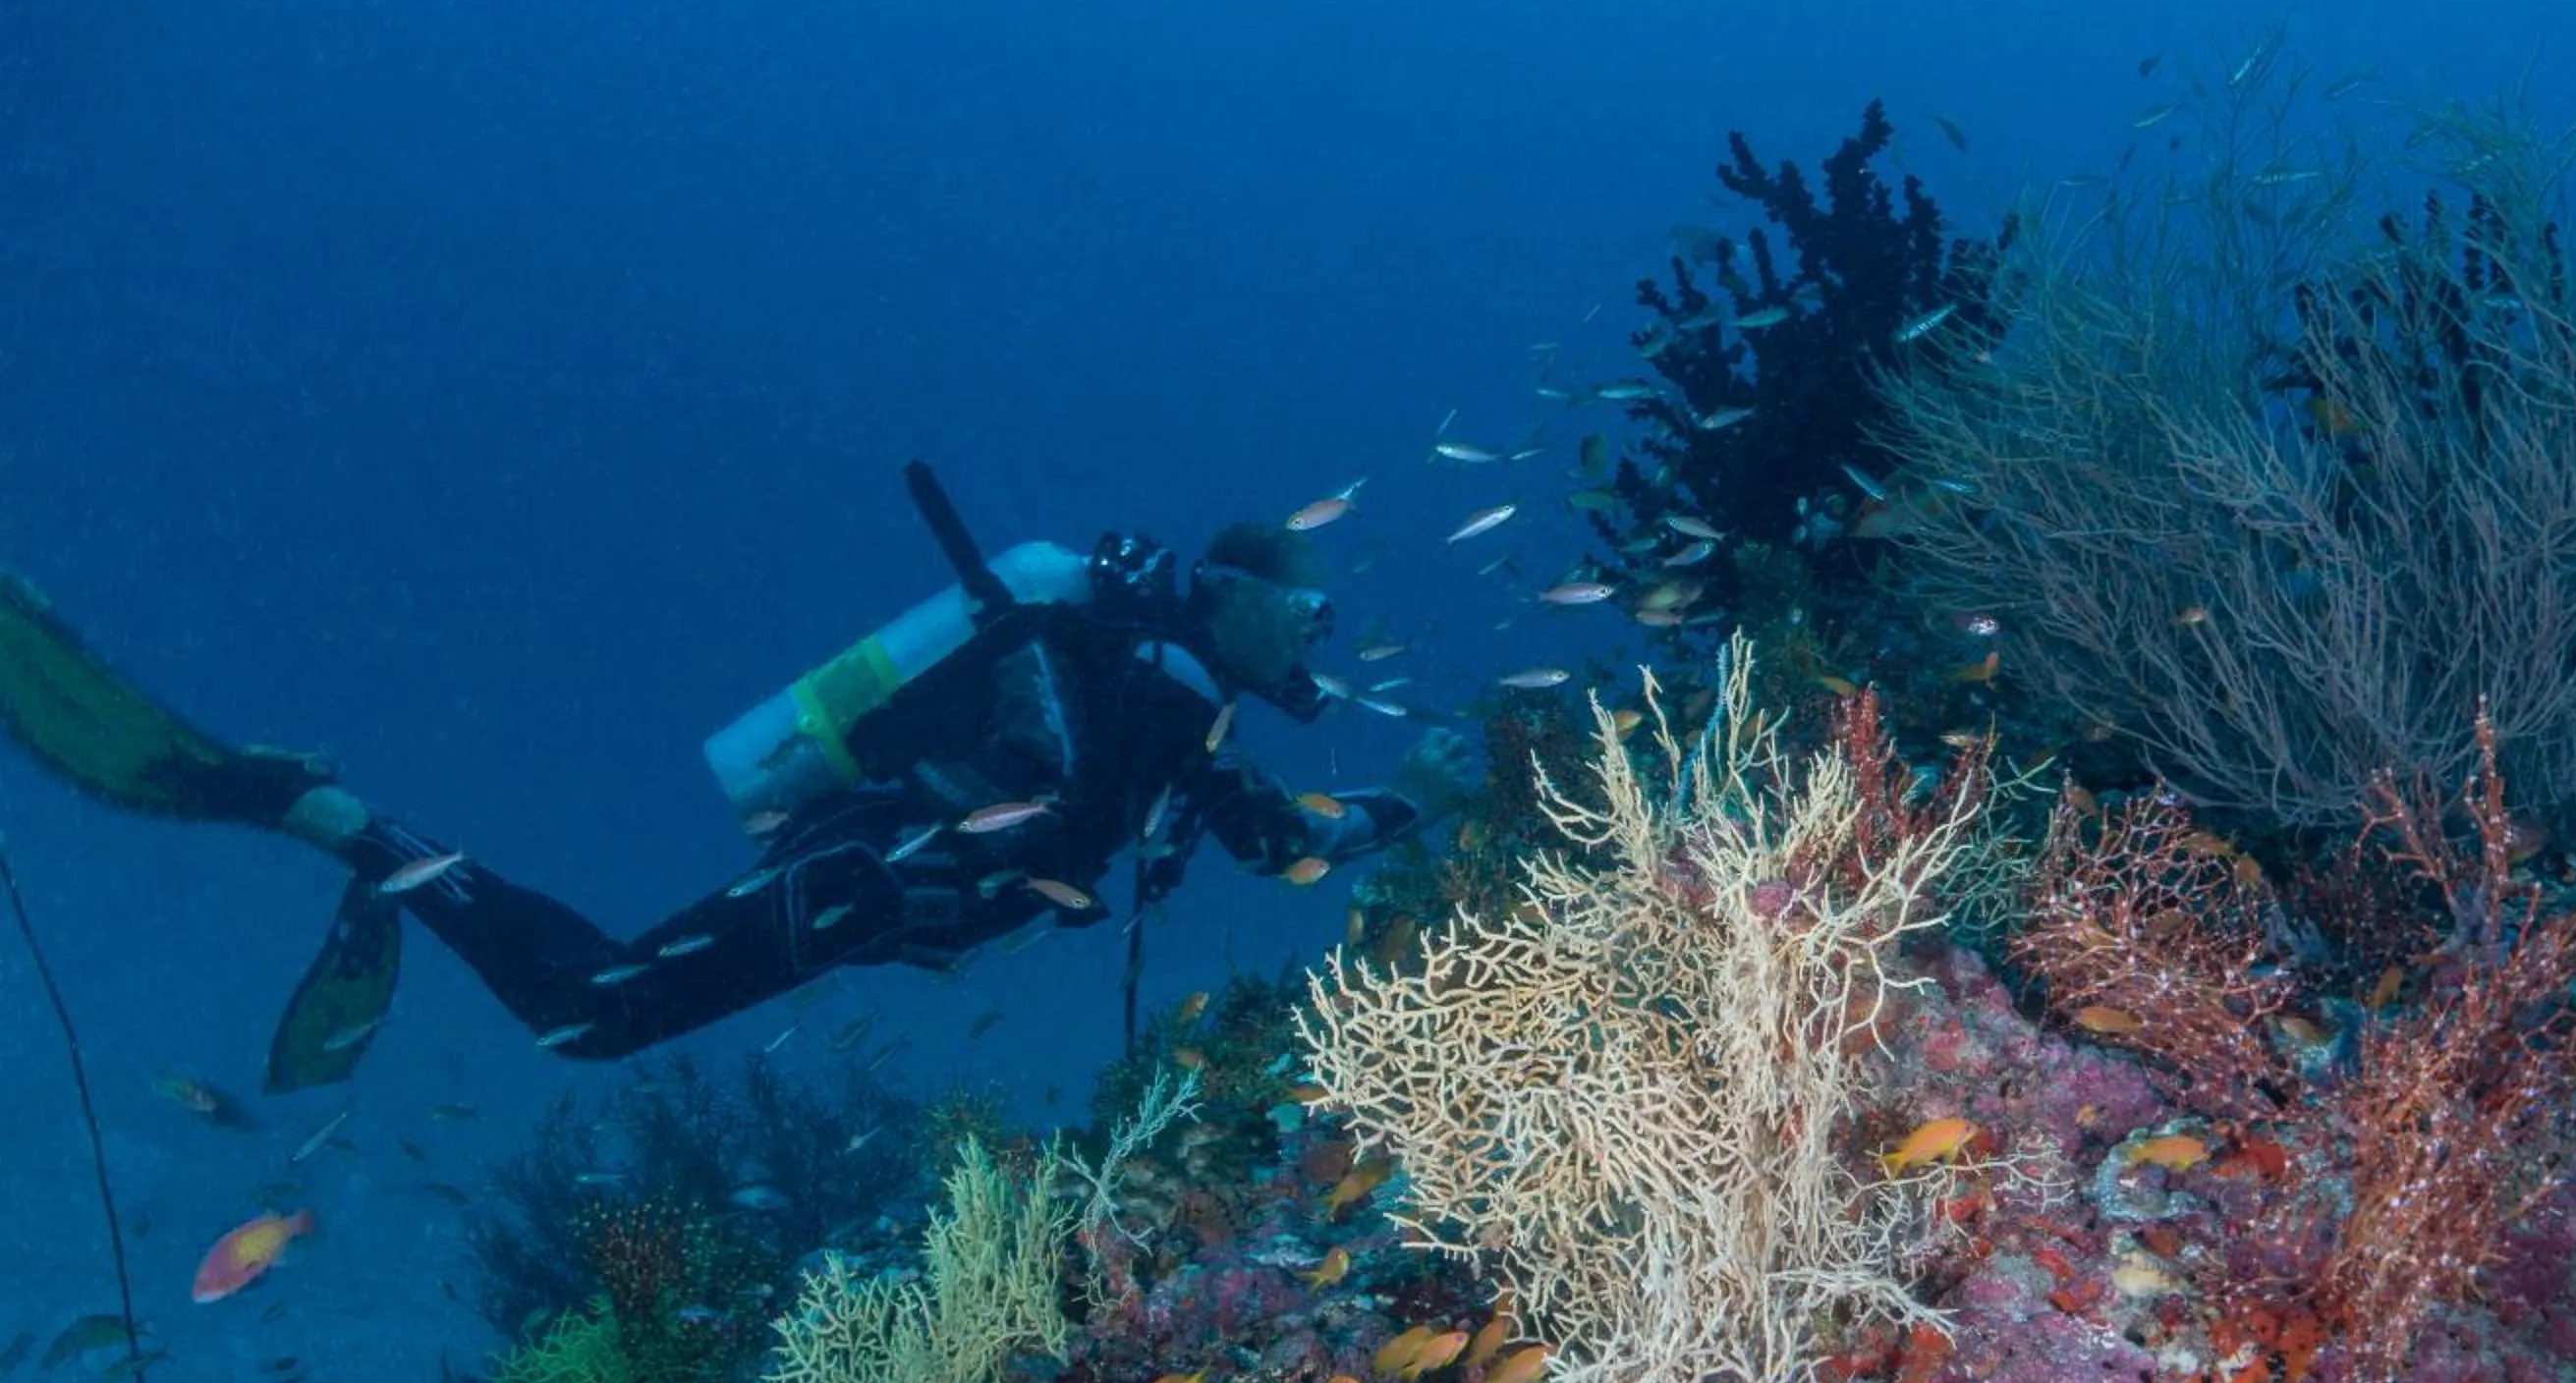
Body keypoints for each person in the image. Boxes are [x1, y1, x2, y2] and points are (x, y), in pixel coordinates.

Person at [0, 463, 1479, 1074]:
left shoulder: (1157, 684)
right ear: (1231, 595)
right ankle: (324, 815)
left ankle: (365, 847)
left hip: (881, 888)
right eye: (1304, 605)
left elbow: (1233, 828)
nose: (1316, 632)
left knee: (592, 1014)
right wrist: (1437, 801)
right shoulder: (1164, 681)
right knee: (585, 1017)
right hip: (872, 879)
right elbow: (1277, 841)